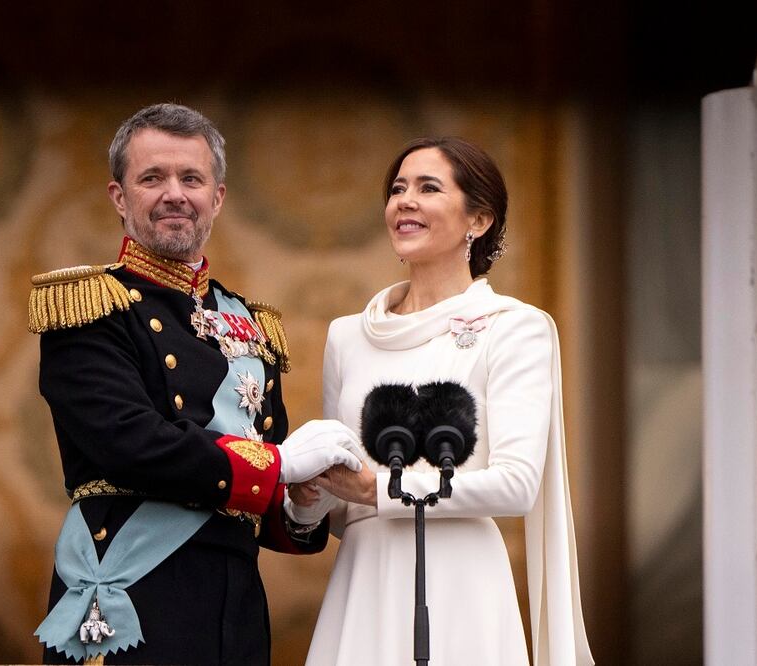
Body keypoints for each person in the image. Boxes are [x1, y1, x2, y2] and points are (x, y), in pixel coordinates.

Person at [29, 103, 362, 665]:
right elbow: (129, 444)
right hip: (134, 596)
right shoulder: (90, 309)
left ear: (218, 197)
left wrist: (303, 504)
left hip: (233, 607)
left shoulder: (250, 324)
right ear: (119, 197)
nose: (174, 194)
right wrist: (279, 466)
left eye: (191, 178)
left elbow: (261, 506)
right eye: (152, 177)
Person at [286, 137, 593, 665]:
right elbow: (345, 506)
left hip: (463, 585)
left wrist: (375, 487)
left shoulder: (515, 329)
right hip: (366, 579)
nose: (404, 200)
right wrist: (309, 497)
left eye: (428, 188)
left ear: (479, 219)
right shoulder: (347, 336)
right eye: (397, 189)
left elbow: (518, 486)